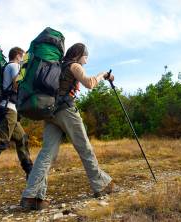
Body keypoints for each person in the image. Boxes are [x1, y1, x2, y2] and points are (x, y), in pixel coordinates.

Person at [20, 43, 118, 210]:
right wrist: (103, 74)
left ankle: (31, 196)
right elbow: (90, 83)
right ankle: (101, 185)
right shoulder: (74, 65)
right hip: (66, 112)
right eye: (85, 57)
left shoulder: (58, 66)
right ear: (79, 55)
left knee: (46, 154)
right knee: (85, 148)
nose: (85, 62)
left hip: (51, 114)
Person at [0, 47, 33, 189]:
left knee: (22, 138)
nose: (23, 59)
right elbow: (16, 84)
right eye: (23, 57)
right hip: (8, 109)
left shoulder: (7, 67)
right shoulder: (14, 66)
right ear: (18, 55)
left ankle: (30, 172)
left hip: (8, 108)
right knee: (0, 141)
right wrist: (25, 70)